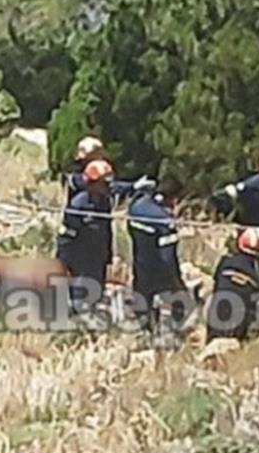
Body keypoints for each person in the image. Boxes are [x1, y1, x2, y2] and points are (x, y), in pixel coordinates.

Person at [127, 176, 188, 329]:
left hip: (140, 265)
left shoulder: (136, 206)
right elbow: (168, 257)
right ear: (172, 197)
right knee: (180, 303)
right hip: (160, 270)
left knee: (143, 304)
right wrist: (177, 280)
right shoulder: (165, 221)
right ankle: (173, 335)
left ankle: (145, 333)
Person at [57, 159, 115, 310]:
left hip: (97, 257)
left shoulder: (104, 202)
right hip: (80, 259)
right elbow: (66, 238)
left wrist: (108, 256)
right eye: (104, 184)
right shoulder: (78, 206)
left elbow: (106, 230)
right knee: (81, 297)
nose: (108, 187)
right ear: (93, 183)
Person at [205, 228, 259, 342]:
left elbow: (216, 283)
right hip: (238, 329)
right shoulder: (258, 276)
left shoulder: (225, 262)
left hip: (215, 322)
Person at [64, 135, 153, 205]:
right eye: (97, 153)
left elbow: (109, 185)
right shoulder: (75, 175)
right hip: (82, 218)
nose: (101, 156)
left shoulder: (98, 169)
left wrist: (133, 186)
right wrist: (133, 186)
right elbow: (110, 187)